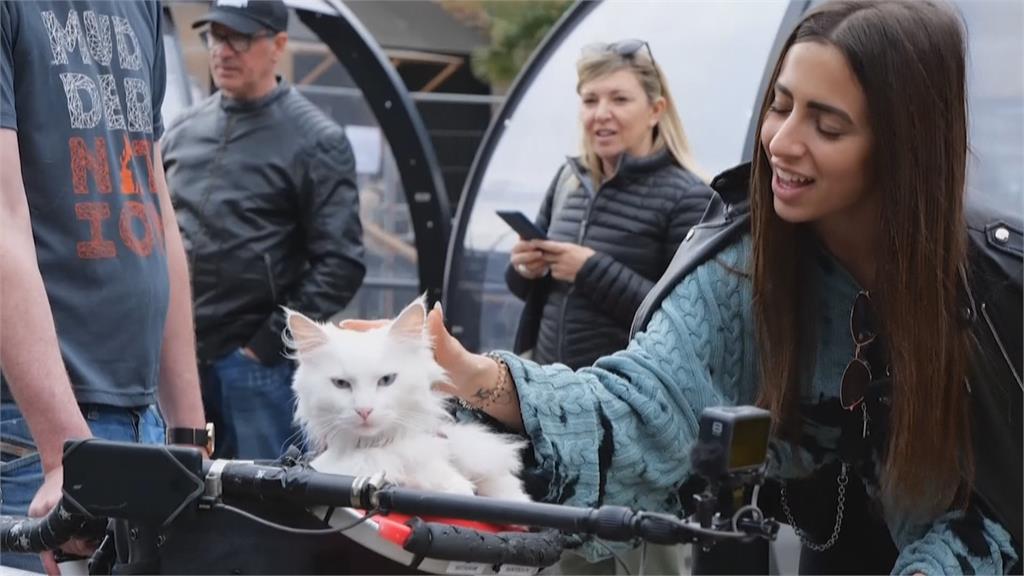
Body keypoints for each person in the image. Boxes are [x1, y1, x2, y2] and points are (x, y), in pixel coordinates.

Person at [348, 1, 1022, 573]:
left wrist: (590, 272)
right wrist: (476, 376)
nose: (782, 142)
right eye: (779, 106)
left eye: (828, 124)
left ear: (904, 144)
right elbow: (649, 403)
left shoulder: (992, 289)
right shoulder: (737, 266)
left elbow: (991, 512)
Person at [0, 0, 208, 572]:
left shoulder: (140, 6)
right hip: (30, 437)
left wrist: (190, 437)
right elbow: (2, 221)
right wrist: (62, 454)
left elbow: (153, 205)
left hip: (144, 429)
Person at [162, 0, 365, 460]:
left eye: (240, 38)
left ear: (277, 46)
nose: (223, 50)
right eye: (215, 36)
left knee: (265, 509)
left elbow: (341, 263)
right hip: (175, 363)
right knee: (169, 505)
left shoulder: (316, 140)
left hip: (254, 368)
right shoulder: (183, 130)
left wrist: (264, 345)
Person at [506, 39, 712, 370]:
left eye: (619, 99)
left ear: (655, 111)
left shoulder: (689, 197)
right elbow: (524, 290)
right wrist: (523, 267)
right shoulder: (568, 180)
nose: (601, 114)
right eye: (590, 100)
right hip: (545, 391)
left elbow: (687, 322)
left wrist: (590, 271)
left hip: (622, 402)